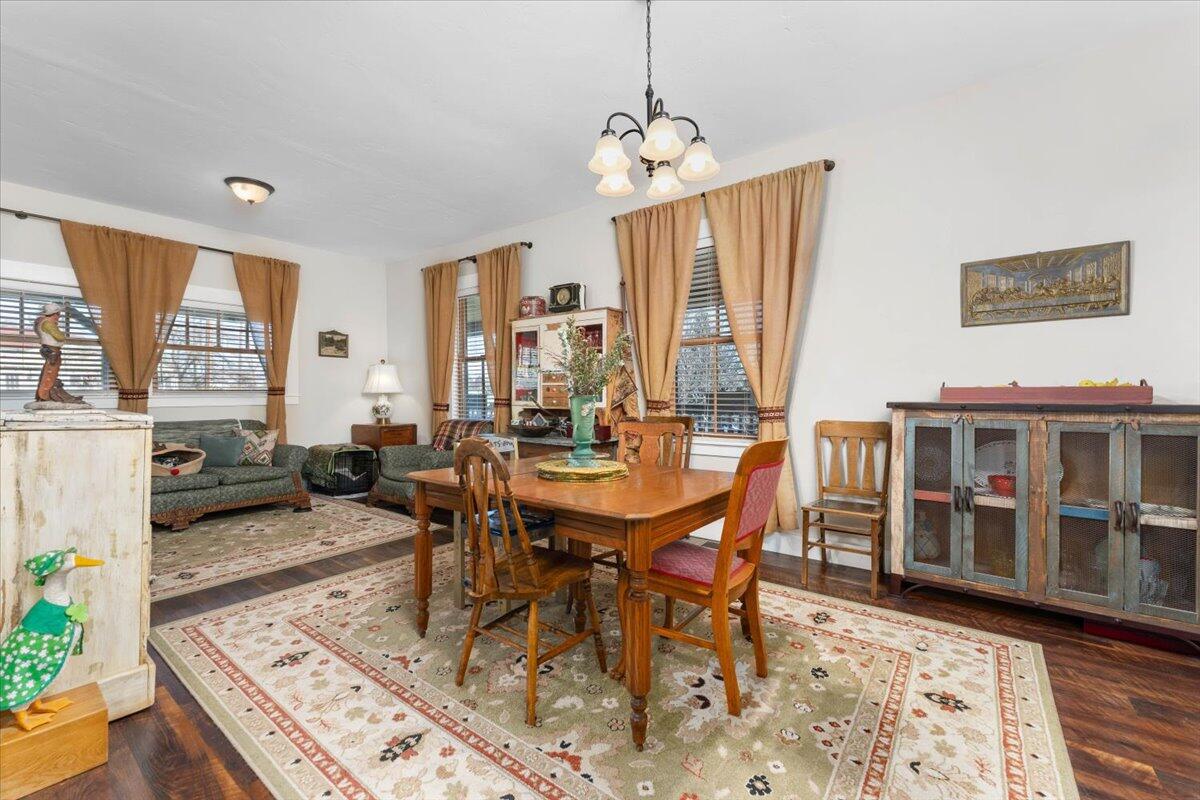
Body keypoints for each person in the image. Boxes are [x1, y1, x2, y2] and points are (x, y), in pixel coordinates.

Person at [33, 302, 85, 404]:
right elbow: (60, 336)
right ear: (54, 314)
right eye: (58, 314)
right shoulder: (48, 323)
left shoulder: (43, 322)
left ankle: (45, 394)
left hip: (50, 349)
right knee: (50, 373)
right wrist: (62, 336)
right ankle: (44, 394)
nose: (58, 316)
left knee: (49, 372)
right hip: (52, 350)